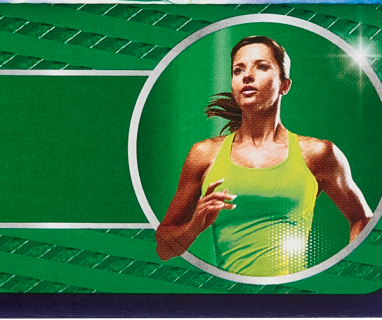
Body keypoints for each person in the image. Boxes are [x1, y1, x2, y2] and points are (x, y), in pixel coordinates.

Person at [155, 35, 371, 276]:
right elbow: (163, 248)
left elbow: (362, 219)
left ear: (284, 85)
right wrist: (194, 226)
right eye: (238, 70)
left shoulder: (318, 153)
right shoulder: (204, 154)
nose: (247, 76)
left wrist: (346, 273)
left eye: (262, 67)